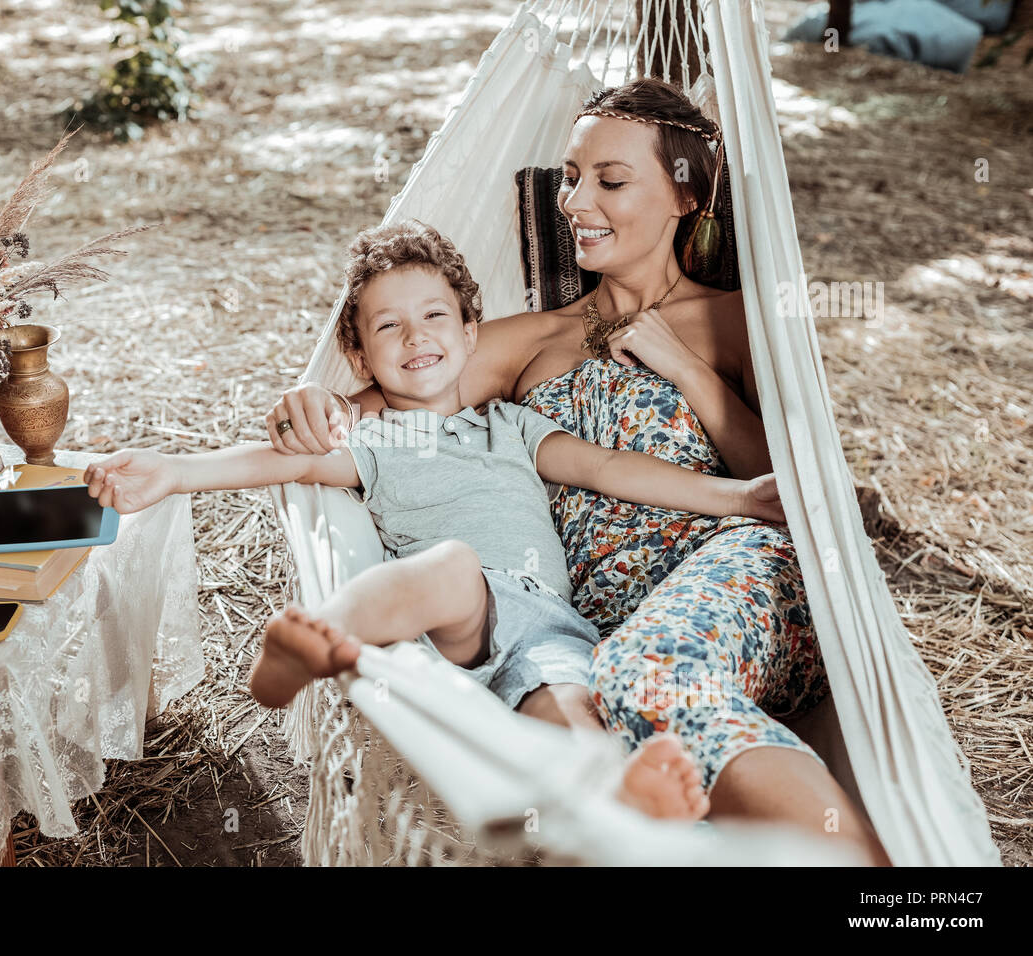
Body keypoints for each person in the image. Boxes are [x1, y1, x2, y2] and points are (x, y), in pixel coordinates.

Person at [263, 78, 890, 864]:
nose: (574, 201)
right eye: (570, 176)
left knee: (653, 671)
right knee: (614, 765)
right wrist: (309, 401)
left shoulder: (739, 322)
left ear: (687, 196)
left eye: (611, 180)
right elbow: (396, 390)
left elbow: (794, 492)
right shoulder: (532, 339)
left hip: (740, 570)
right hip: (594, 634)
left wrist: (686, 368)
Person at [85, 222, 788, 822]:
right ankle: (323, 637)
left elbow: (606, 467)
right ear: (359, 357)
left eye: (434, 317)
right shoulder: (378, 441)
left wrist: (734, 496)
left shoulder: (512, 424)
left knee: (573, 705)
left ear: (470, 332)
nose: (415, 336)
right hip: (447, 615)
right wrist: (178, 471)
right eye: (388, 326)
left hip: (545, 622)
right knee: (453, 566)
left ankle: (611, 804)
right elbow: (287, 463)